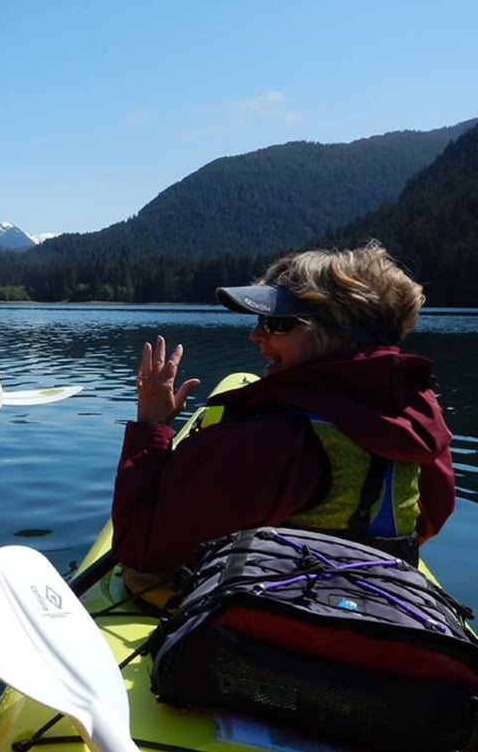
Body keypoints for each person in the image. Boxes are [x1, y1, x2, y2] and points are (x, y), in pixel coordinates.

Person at [111, 241, 455, 575]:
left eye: (275, 323)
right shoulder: (417, 419)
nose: (256, 335)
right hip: (382, 587)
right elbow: (427, 522)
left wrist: (151, 427)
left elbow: (142, 549)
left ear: (339, 334)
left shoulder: (271, 437)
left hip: (273, 604)